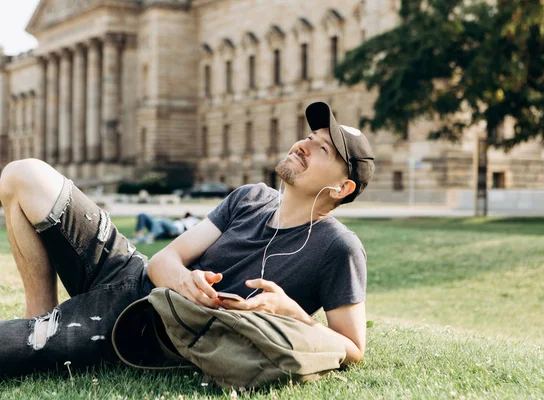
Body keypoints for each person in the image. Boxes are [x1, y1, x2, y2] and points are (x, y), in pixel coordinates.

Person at [0, 101, 375, 377]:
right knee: (23, 174)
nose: (301, 145)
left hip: (144, 324)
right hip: (130, 273)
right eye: (308, 137)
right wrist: (186, 282)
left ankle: (39, 336)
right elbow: (163, 261)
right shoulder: (251, 197)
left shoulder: (338, 248)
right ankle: (40, 318)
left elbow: (353, 348)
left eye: (321, 148)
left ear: (342, 187)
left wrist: (293, 315)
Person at [132, 212, 201, 244]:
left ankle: (148, 237)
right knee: (142, 215)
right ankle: (139, 234)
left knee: (160, 220)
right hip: (167, 225)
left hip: (175, 230)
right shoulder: (180, 220)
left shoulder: (196, 221)